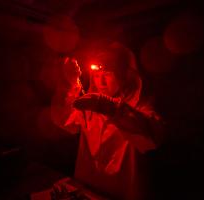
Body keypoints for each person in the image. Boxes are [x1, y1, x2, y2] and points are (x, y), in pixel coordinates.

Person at [51, 42, 164, 200]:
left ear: (125, 75)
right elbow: (63, 120)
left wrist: (112, 109)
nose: (100, 82)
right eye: (97, 75)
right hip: (88, 192)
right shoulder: (91, 103)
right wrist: (70, 84)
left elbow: (151, 139)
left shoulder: (141, 104)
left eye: (108, 74)